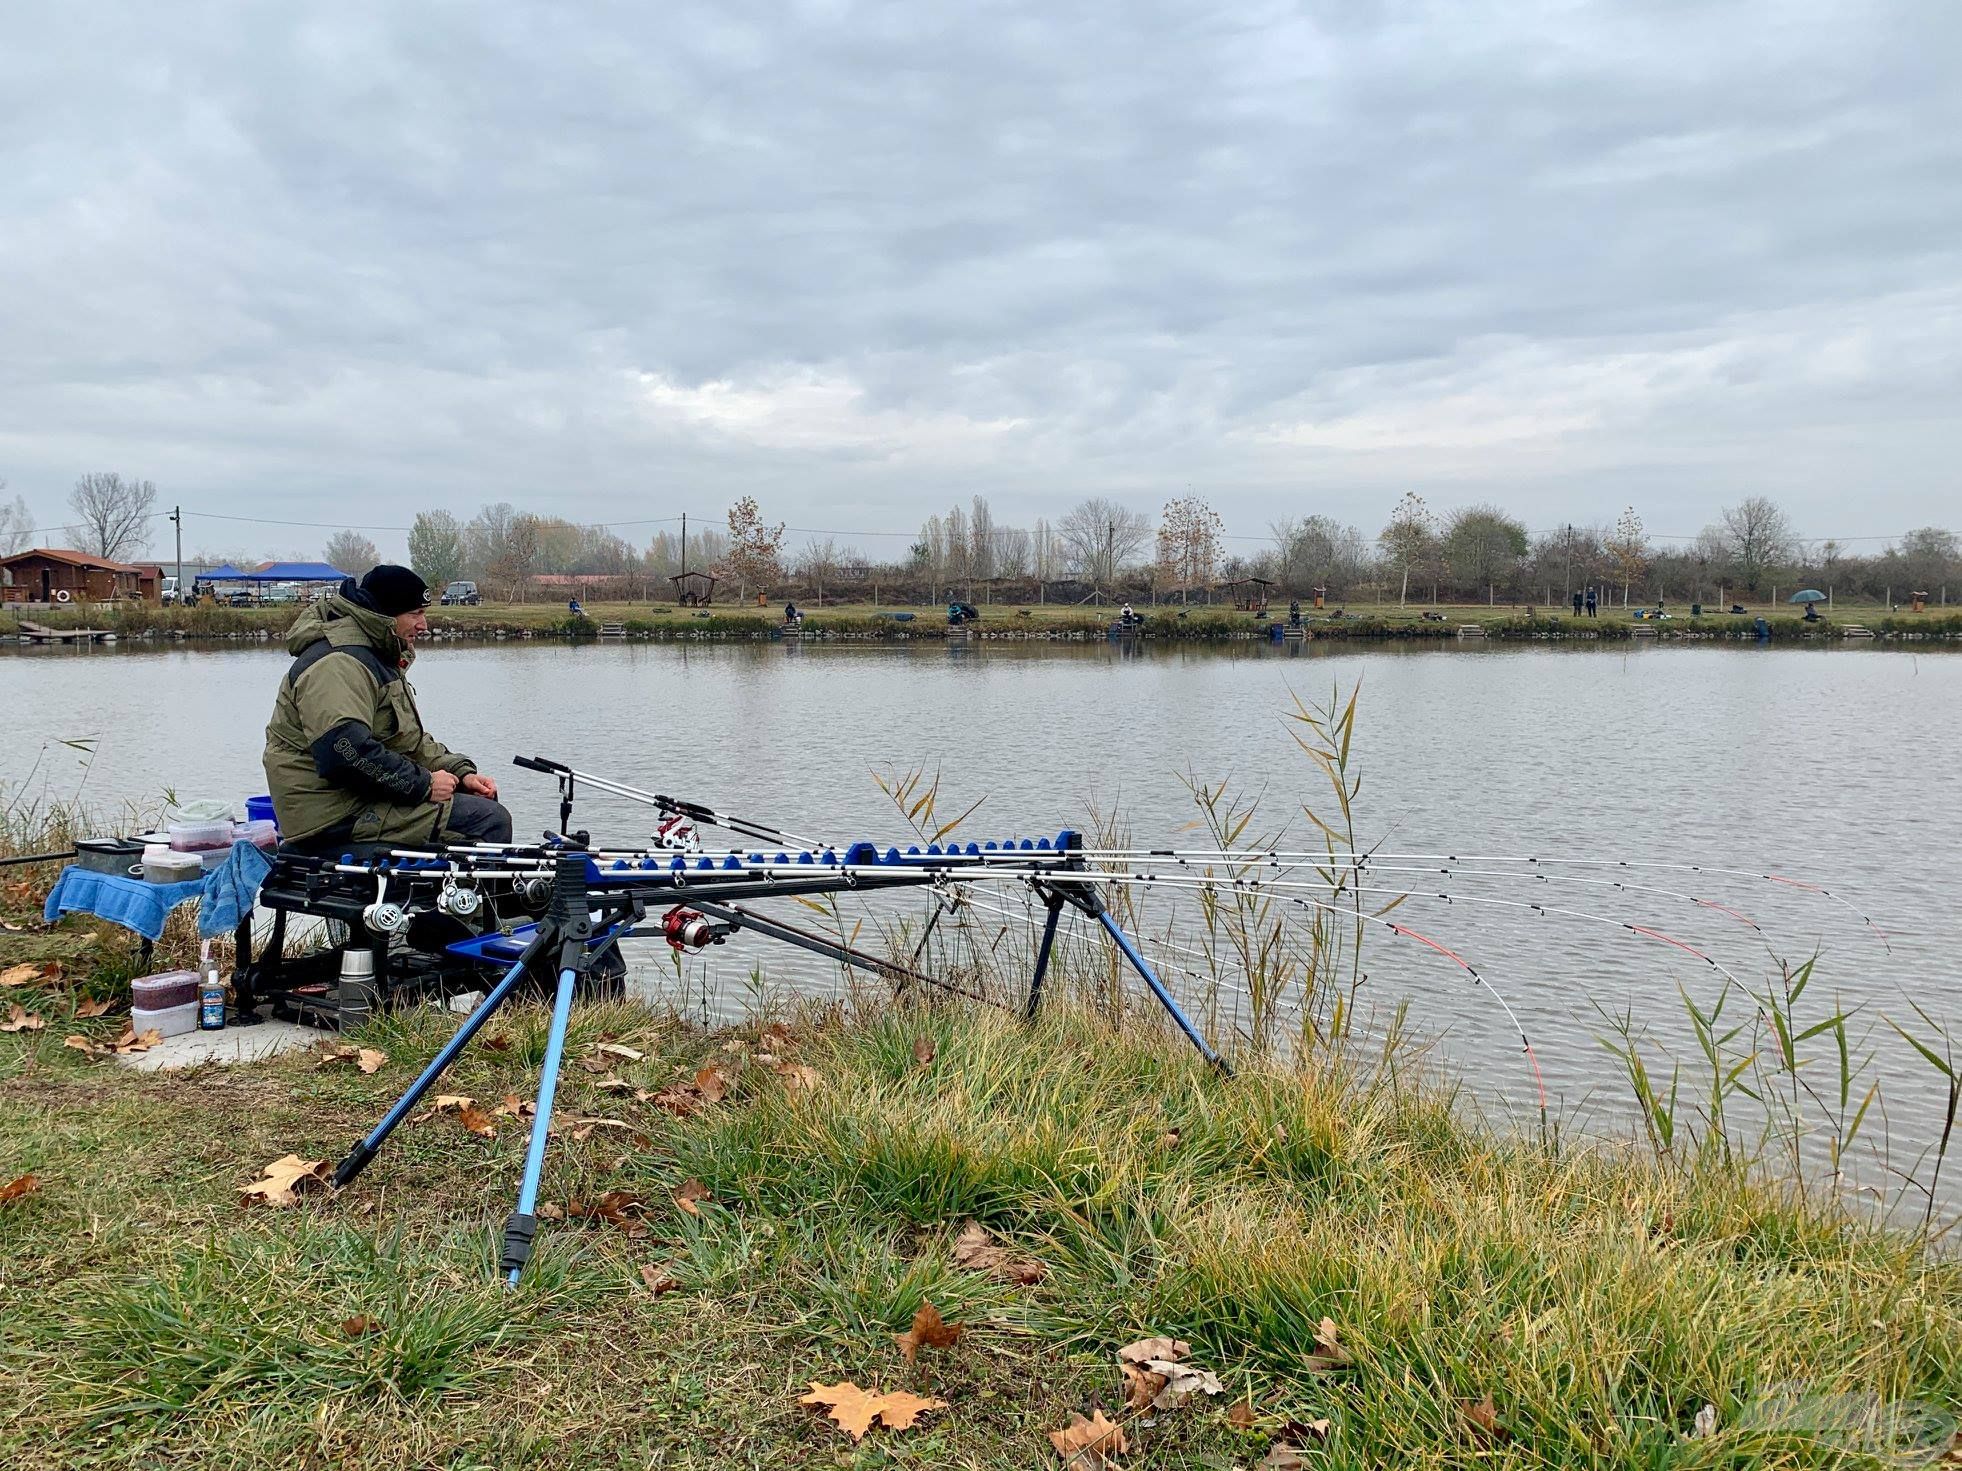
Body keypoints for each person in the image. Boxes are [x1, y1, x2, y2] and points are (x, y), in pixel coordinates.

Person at [264, 565, 512, 852]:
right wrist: (424, 785)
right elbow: (343, 752)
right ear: (384, 615)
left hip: (357, 799)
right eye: (415, 614)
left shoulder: (375, 654)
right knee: (489, 820)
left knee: (480, 803)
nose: (424, 625)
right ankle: (472, 898)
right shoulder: (338, 664)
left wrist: (460, 773)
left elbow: (406, 741)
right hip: (330, 815)